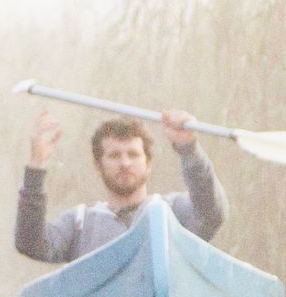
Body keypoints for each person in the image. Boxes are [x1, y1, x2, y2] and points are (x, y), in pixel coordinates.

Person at [17, 109, 225, 263]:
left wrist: (188, 147)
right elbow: (31, 244)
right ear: (98, 166)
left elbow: (212, 212)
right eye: (115, 155)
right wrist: (36, 167)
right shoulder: (79, 224)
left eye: (133, 155)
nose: (125, 163)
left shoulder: (174, 212)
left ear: (148, 164)